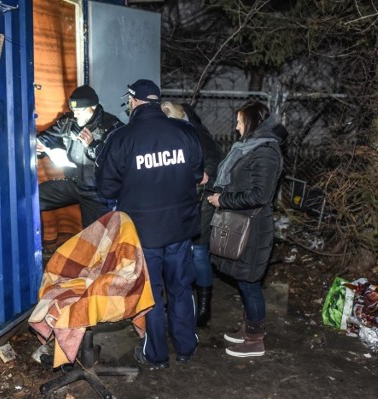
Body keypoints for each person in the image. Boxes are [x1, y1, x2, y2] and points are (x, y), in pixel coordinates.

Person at [96, 79, 204, 369]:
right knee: (181, 289)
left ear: (132, 102)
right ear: (157, 102)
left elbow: (106, 188)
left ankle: (156, 356)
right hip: (180, 230)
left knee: (151, 294)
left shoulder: (121, 138)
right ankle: (186, 347)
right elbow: (197, 174)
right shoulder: (184, 133)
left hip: (144, 233)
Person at [206, 100, 285, 358]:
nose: (236, 125)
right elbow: (240, 182)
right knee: (244, 280)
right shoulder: (248, 148)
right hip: (244, 224)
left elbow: (260, 195)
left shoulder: (265, 152)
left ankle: (255, 340)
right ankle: (249, 327)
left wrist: (223, 200)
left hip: (254, 227)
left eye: (240, 120)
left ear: (251, 122)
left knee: (250, 282)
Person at [160, 101, 223, 327]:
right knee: (181, 252)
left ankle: (204, 305)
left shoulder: (195, 132)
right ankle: (182, 300)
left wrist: (206, 173)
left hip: (202, 200)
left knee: (198, 251)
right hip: (181, 200)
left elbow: (216, 159)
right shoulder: (171, 134)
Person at [36, 85, 123, 228]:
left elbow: (117, 162)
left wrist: (92, 145)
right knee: (32, 199)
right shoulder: (68, 122)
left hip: (96, 192)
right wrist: (39, 146)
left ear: (93, 107)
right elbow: (46, 138)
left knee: (94, 238)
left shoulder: (111, 127)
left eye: (79, 111)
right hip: (74, 183)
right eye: (73, 110)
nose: (76, 115)